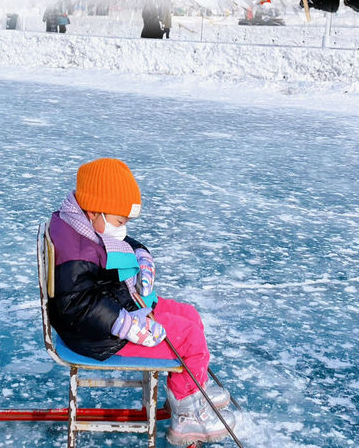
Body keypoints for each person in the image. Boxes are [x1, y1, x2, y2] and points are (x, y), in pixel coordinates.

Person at [48, 157, 238, 445]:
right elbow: (74, 305)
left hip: (113, 304)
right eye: (119, 221)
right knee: (187, 337)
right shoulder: (76, 248)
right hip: (96, 333)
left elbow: (118, 241)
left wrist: (140, 254)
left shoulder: (82, 224)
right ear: (93, 210)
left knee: (190, 316)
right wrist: (123, 324)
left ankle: (191, 387)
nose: (122, 228)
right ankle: (187, 414)